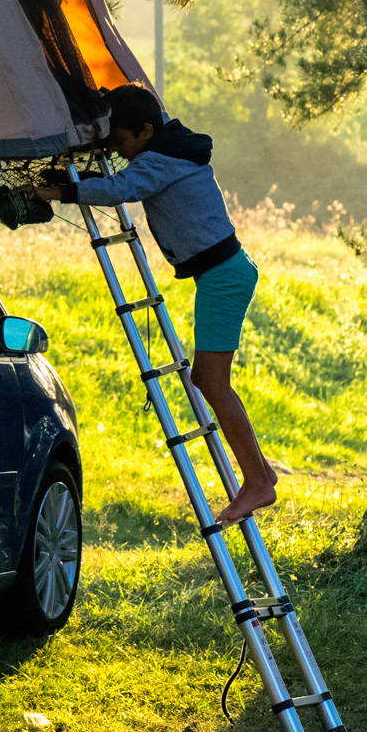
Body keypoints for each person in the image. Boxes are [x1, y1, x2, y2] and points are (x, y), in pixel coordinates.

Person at [36, 84, 277, 525]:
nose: (119, 151)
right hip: (222, 273)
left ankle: (257, 483)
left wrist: (62, 194)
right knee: (207, 378)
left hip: (224, 277)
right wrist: (79, 180)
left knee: (213, 383)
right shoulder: (168, 152)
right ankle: (261, 472)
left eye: (123, 142)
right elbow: (123, 181)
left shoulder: (159, 161)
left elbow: (120, 189)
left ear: (146, 131)